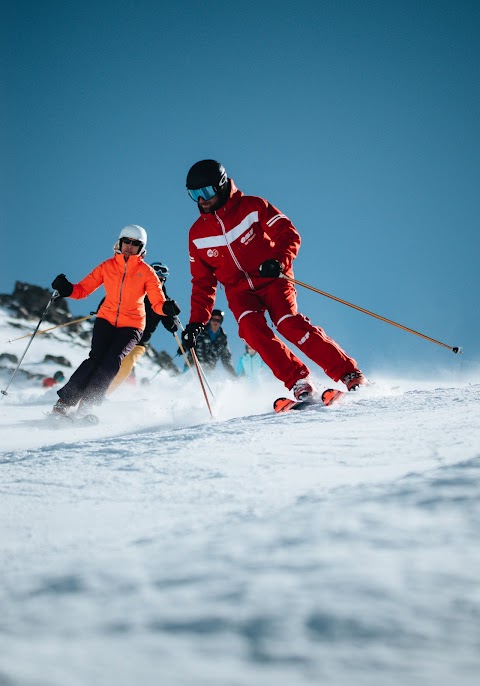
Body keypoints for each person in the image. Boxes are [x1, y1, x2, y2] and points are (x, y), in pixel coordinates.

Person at [181, 159, 366, 401]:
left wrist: (278, 261)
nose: (201, 200)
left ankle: (349, 374)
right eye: (194, 195)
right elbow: (202, 282)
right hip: (240, 292)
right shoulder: (197, 234)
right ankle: (298, 380)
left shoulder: (253, 207)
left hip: (272, 278)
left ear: (222, 185)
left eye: (206, 192)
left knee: (287, 322)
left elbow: (288, 233)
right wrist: (197, 321)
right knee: (250, 329)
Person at [50, 225, 180, 416]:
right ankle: (64, 402)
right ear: (119, 242)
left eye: (135, 243)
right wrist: (67, 289)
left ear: (141, 249)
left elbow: (157, 303)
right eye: (126, 241)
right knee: (95, 358)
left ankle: (88, 405)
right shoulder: (108, 266)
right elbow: (83, 289)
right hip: (106, 319)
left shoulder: (147, 273)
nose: (129, 246)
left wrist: (166, 308)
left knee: (111, 361)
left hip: (133, 325)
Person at [106, 262, 178, 395]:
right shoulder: (136, 291)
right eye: (155, 279)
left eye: (161, 280)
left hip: (140, 342)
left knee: (126, 365)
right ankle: (86, 391)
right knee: (109, 363)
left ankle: (100, 396)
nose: (157, 283)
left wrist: (172, 315)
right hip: (122, 334)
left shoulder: (164, 302)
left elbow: (171, 326)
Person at [181, 309, 236, 378]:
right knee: (185, 381)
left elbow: (226, 358)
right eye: (214, 320)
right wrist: (183, 346)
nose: (216, 322)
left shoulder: (222, 339)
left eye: (218, 320)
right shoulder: (201, 330)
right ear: (210, 320)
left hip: (208, 371)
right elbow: (190, 339)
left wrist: (232, 373)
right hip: (192, 365)